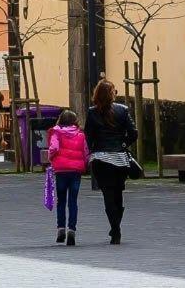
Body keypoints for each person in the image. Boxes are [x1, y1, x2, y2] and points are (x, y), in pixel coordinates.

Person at [85, 79, 138, 245]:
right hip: (120, 159)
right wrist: (123, 144)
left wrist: (94, 149)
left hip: (101, 159)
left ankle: (115, 228)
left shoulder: (92, 112)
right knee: (118, 194)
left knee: (107, 195)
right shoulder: (122, 110)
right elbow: (133, 132)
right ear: (112, 94)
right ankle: (116, 226)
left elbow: (88, 135)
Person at [48, 110, 89, 246]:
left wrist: (51, 158)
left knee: (61, 201)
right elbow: (85, 152)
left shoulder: (56, 132)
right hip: (75, 171)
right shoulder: (81, 135)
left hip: (61, 170)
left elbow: (54, 147)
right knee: (73, 201)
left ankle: (61, 229)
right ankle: (72, 230)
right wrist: (85, 164)